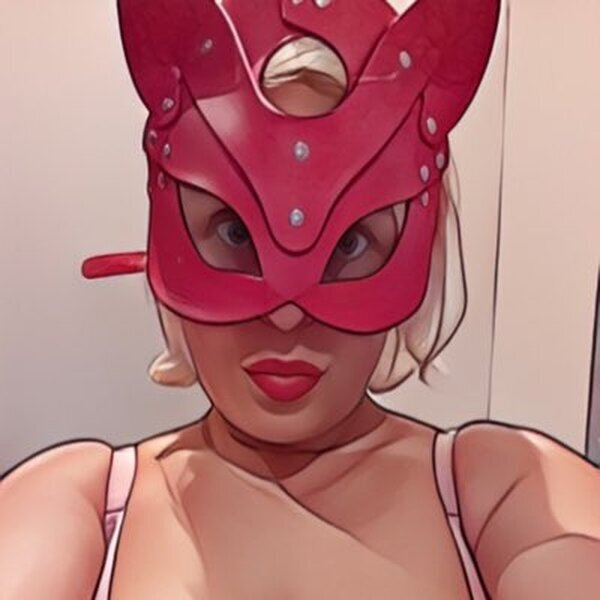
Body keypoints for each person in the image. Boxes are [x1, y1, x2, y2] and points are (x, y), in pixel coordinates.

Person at [1, 0, 599, 598]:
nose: (286, 315)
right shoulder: (76, 504)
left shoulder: (500, 495)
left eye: (351, 243)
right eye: (234, 233)